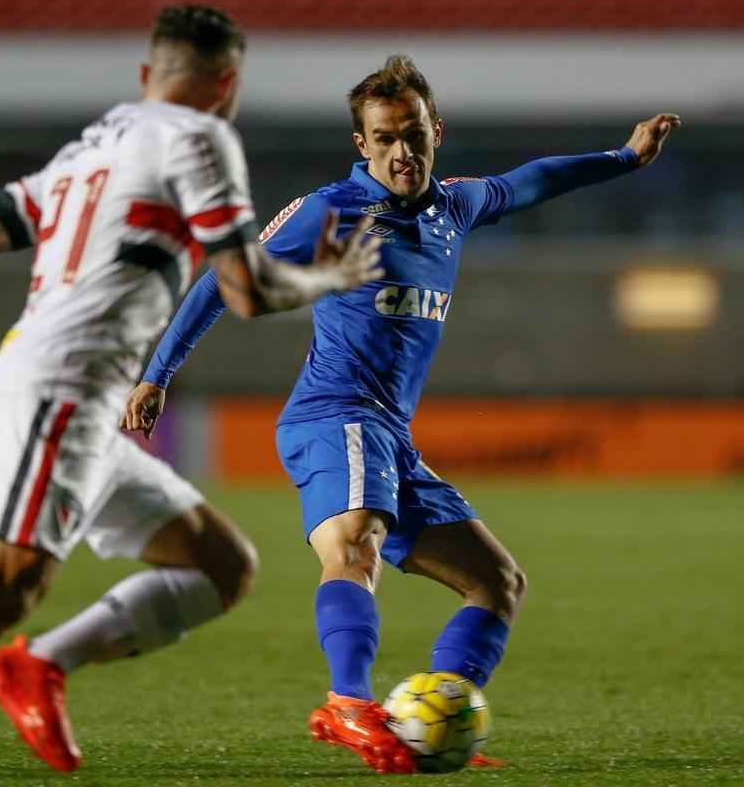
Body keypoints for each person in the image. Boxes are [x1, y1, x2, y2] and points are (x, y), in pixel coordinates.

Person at [0, 6, 382, 787]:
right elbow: (246, 289)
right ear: (226, 84)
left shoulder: (93, 148)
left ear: (145, 76)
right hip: (61, 385)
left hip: (71, 394)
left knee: (218, 566)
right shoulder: (199, 137)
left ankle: (40, 667)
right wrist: (330, 277)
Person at [125, 54, 680, 774]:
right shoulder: (333, 212)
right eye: (384, 137)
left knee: (497, 583)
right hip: (333, 415)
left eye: (412, 134)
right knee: (353, 547)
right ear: (362, 144)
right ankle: (347, 704)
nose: (401, 151)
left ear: (434, 131)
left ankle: (435, 718)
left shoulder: (453, 208)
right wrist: (157, 374)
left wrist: (625, 158)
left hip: (389, 434)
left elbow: (531, 180)